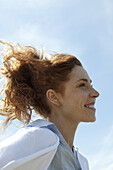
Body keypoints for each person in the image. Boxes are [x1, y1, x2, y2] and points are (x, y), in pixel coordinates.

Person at [0, 40, 99, 170]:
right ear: (54, 97)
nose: (95, 93)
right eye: (82, 85)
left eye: (91, 85)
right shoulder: (42, 138)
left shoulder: (82, 162)